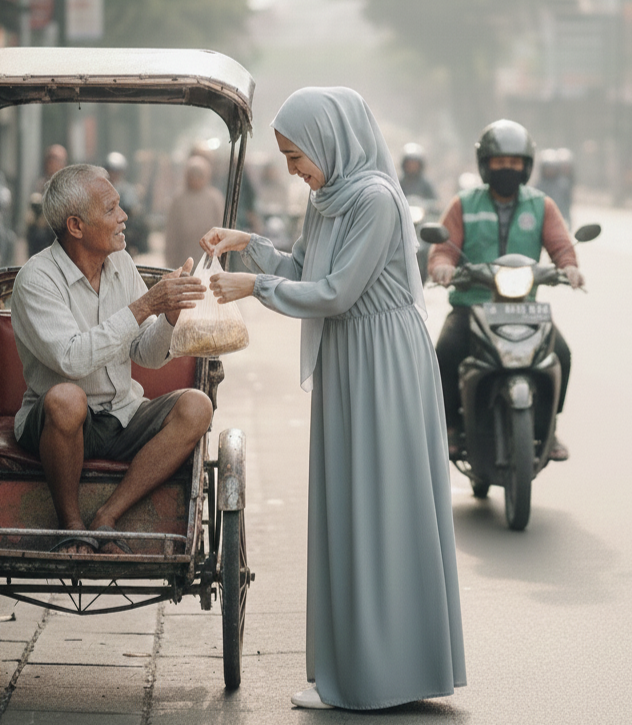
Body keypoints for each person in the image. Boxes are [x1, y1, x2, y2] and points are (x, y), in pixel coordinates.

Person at [199, 86, 465, 711]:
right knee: (348, 508)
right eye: (288, 157)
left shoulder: (373, 200)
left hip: (385, 361)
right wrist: (249, 245)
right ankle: (351, 669)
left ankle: (385, 675)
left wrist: (254, 285)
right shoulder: (329, 197)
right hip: (348, 359)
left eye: (297, 155)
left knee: (384, 509)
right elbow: (304, 267)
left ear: (329, 140)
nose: (294, 169)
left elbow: (338, 290)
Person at [9, 164, 212, 554]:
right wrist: (145, 305)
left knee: (197, 406)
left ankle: (107, 515)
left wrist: (169, 315)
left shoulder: (120, 263)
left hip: (123, 412)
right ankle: (71, 525)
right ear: (76, 226)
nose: (124, 218)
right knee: (68, 398)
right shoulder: (37, 279)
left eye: (120, 206)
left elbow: (145, 354)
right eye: (111, 210)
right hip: (60, 423)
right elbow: (72, 359)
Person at [428, 119, 583, 461]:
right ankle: (451, 426)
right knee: (445, 352)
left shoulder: (541, 205)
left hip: (523, 307)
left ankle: (549, 426)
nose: (507, 170)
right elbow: (445, 247)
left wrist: (569, 266)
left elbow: (560, 245)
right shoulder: (464, 204)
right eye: (500, 163)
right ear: (485, 165)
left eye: (515, 164)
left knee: (562, 354)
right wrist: (442, 265)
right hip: (472, 305)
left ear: (527, 167)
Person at [163, 155, 225, 269]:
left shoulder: (214, 199)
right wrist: (170, 260)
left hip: (208, 256)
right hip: (183, 255)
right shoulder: (178, 199)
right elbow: (171, 232)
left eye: (199, 175)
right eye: (193, 174)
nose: (196, 179)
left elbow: (221, 228)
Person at [27, 144, 68, 257]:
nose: (53, 164)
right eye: (50, 159)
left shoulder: (68, 185)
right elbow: (30, 217)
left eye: (57, 160)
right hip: (42, 237)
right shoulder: (40, 185)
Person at [105, 151, 149, 255]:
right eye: (112, 170)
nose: (114, 174)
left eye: (117, 171)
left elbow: (134, 212)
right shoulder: (101, 190)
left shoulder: (128, 190)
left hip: (124, 233)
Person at [534, 147, 574, 228]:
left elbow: (567, 203)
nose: (550, 171)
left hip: (559, 219)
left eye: (552, 168)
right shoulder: (539, 186)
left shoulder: (563, 184)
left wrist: (568, 221)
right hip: (543, 221)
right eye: (547, 168)